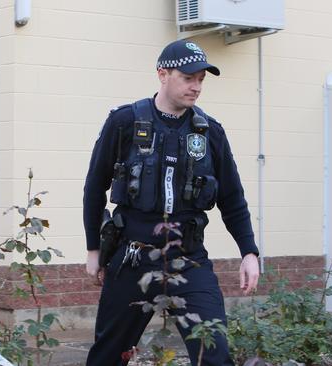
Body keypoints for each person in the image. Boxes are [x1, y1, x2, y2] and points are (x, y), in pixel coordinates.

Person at [83, 39, 260, 365]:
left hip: (189, 260)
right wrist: (94, 249)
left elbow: (232, 198)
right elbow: (95, 187)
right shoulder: (124, 123)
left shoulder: (210, 133)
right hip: (131, 259)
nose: (196, 87)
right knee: (108, 356)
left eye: (201, 79)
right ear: (162, 74)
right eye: (188, 77)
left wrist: (248, 251)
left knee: (215, 353)